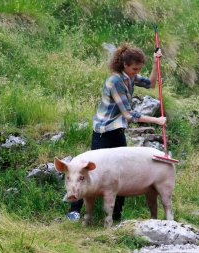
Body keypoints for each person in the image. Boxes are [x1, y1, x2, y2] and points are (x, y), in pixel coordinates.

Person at [66, 43, 167, 222]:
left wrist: (155, 62)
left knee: (121, 173)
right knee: (85, 171)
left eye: (139, 69)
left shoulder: (129, 77)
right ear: (125, 65)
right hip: (103, 132)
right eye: (134, 68)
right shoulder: (115, 81)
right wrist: (156, 120)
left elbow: (151, 83)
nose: (137, 72)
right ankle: (75, 209)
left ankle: (116, 215)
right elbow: (129, 114)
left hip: (117, 130)